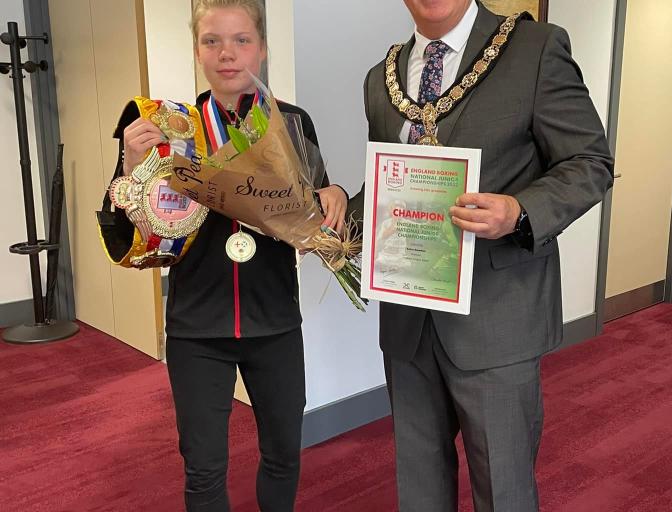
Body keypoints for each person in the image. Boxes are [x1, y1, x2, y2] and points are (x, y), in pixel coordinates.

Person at [348, 1, 614, 510]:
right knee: (419, 486)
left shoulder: (534, 50)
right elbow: (393, 186)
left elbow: (589, 162)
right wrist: (343, 208)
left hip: (497, 319)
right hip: (408, 318)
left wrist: (519, 210)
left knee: (504, 491)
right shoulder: (379, 79)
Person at [118, 1, 347, 510]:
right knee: (203, 470)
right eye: (212, 41)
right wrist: (131, 169)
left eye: (242, 40)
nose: (227, 54)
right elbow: (132, 232)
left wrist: (337, 198)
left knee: (285, 453)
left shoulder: (291, 122)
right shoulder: (169, 131)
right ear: (197, 50)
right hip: (198, 326)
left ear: (262, 49)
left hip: (275, 322)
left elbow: (314, 211)